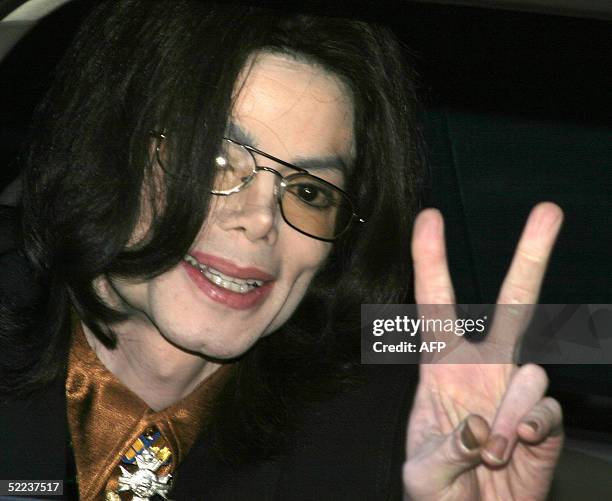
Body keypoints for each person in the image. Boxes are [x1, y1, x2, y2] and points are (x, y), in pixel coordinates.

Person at [0, 0, 586, 499]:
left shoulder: (386, 430)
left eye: (309, 191)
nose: (260, 220)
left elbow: (580, 332)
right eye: (212, 159)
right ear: (106, 153)